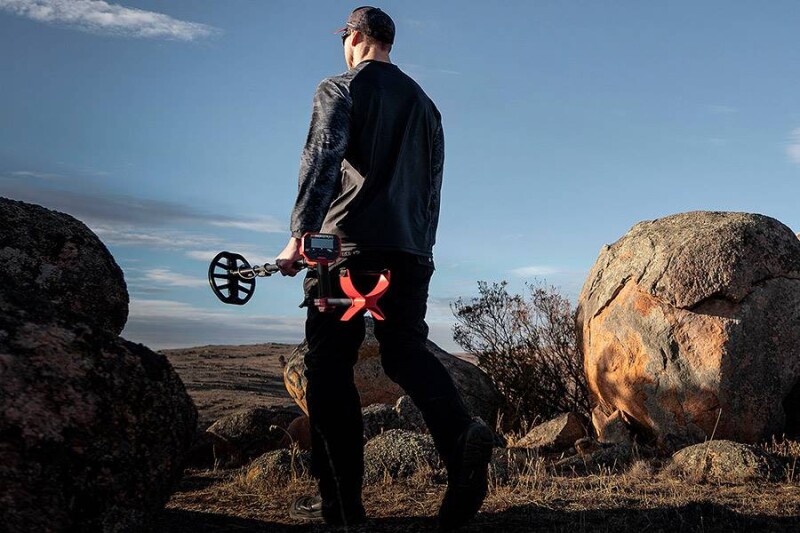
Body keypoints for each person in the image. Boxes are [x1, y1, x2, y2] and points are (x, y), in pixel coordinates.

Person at [275, 6, 494, 531]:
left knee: (329, 366)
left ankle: (341, 505)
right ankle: (461, 433)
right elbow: (433, 187)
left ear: (354, 37)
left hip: (345, 251)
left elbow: (322, 159)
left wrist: (299, 235)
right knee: (404, 352)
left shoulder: (340, 88)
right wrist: (422, 250)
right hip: (411, 252)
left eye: (343, 39)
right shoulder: (426, 105)